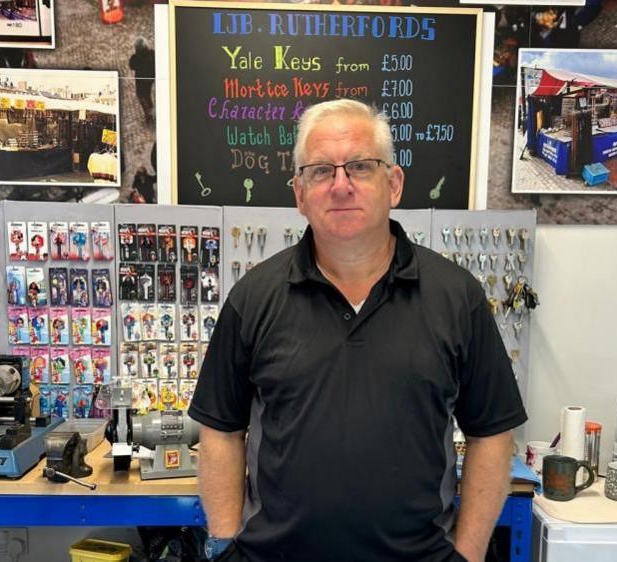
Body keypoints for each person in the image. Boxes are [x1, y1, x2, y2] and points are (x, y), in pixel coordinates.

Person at [190, 99, 527, 562]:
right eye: (321, 171)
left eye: (361, 167)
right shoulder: (253, 297)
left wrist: (465, 555)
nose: (341, 185)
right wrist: (226, 546)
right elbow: (221, 430)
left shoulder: (457, 297)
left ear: (394, 184)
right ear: (299, 194)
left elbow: (491, 434)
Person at [128, 37, 155, 122]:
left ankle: (148, 113)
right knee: (147, 94)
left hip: (140, 80)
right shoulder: (152, 53)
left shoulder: (135, 57)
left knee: (140, 95)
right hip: (150, 79)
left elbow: (131, 66)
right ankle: (151, 109)